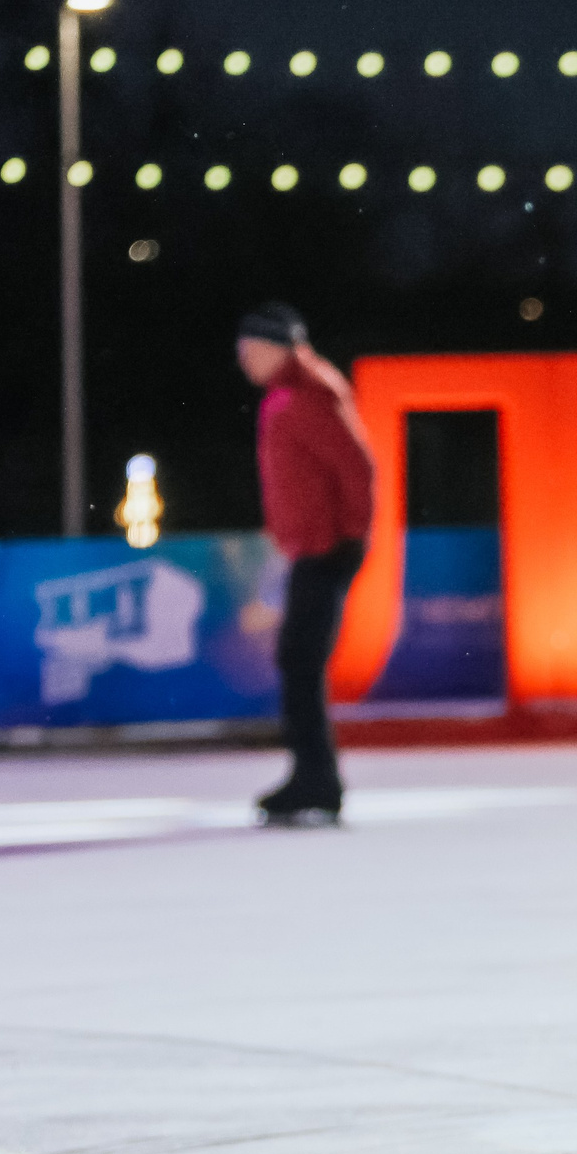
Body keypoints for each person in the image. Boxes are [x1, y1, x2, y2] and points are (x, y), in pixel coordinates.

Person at [236, 303, 374, 825]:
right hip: (314, 545)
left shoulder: (305, 396)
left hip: (326, 547)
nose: (244, 361)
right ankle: (312, 776)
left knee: (300, 662)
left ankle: (317, 780)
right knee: (298, 662)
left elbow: (357, 468)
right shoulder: (290, 395)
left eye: (251, 350)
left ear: (277, 348)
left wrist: (349, 537)